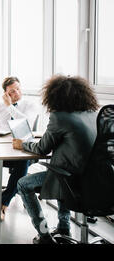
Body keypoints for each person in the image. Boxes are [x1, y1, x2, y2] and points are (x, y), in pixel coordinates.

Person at [13, 75, 99, 244]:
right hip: (94, 179)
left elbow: (41, 148)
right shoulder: (93, 115)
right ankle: (63, 227)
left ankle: (44, 235)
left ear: (54, 97)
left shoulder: (60, 117)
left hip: (71, 177)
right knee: (62, 173)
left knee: (23, 184)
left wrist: (23, 144)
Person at [0, 76, 38, 221]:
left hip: (23, 148)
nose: (16, 92)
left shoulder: (30, 105)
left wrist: (9, 106)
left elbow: (25, 122)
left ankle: (3, 203)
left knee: (22, 164)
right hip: (3, 148)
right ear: (5, 93)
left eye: (18, 89)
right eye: (12, 91)